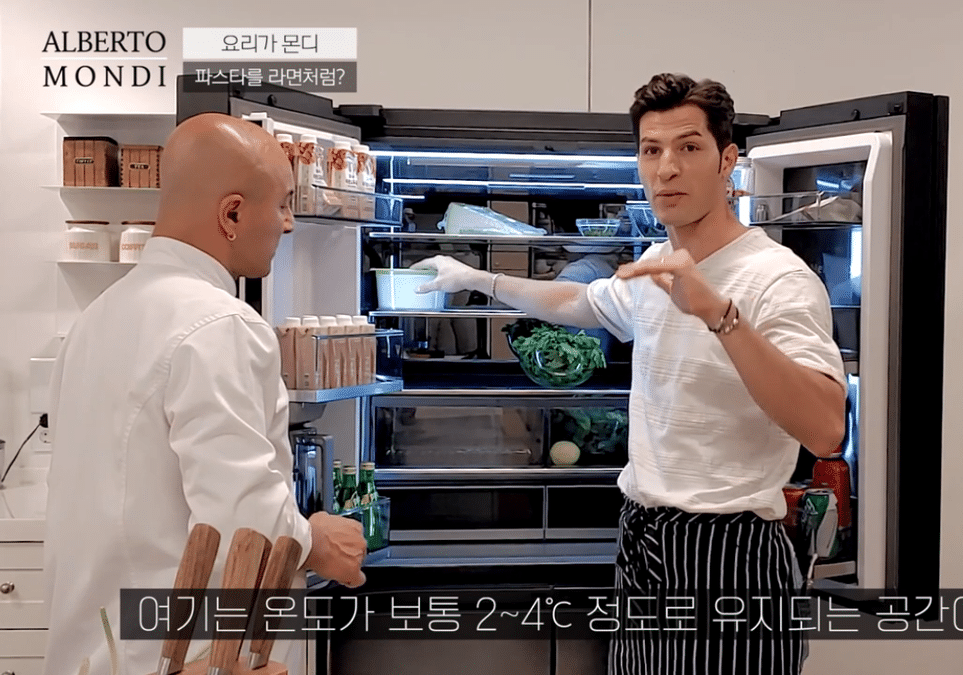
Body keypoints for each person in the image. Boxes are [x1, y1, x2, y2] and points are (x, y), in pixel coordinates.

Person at [414, 73, 846, 674]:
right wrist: (480, 279)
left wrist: (719, 315)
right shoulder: (655, 264)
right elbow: (579, 301)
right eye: (651, 150)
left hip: (731, 552)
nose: (667, 168)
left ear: (727, 161)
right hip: (645, 538)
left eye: (689, 147)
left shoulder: (778, 277)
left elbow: (825, 428)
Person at [43, 113, 368, 675]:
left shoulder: (97, 318)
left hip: (100, 649)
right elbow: (242, 518)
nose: (290, 223)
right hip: (186, 655)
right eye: (283, 203)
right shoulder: (220, 325)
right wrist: (313, 538)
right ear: (232, 214)